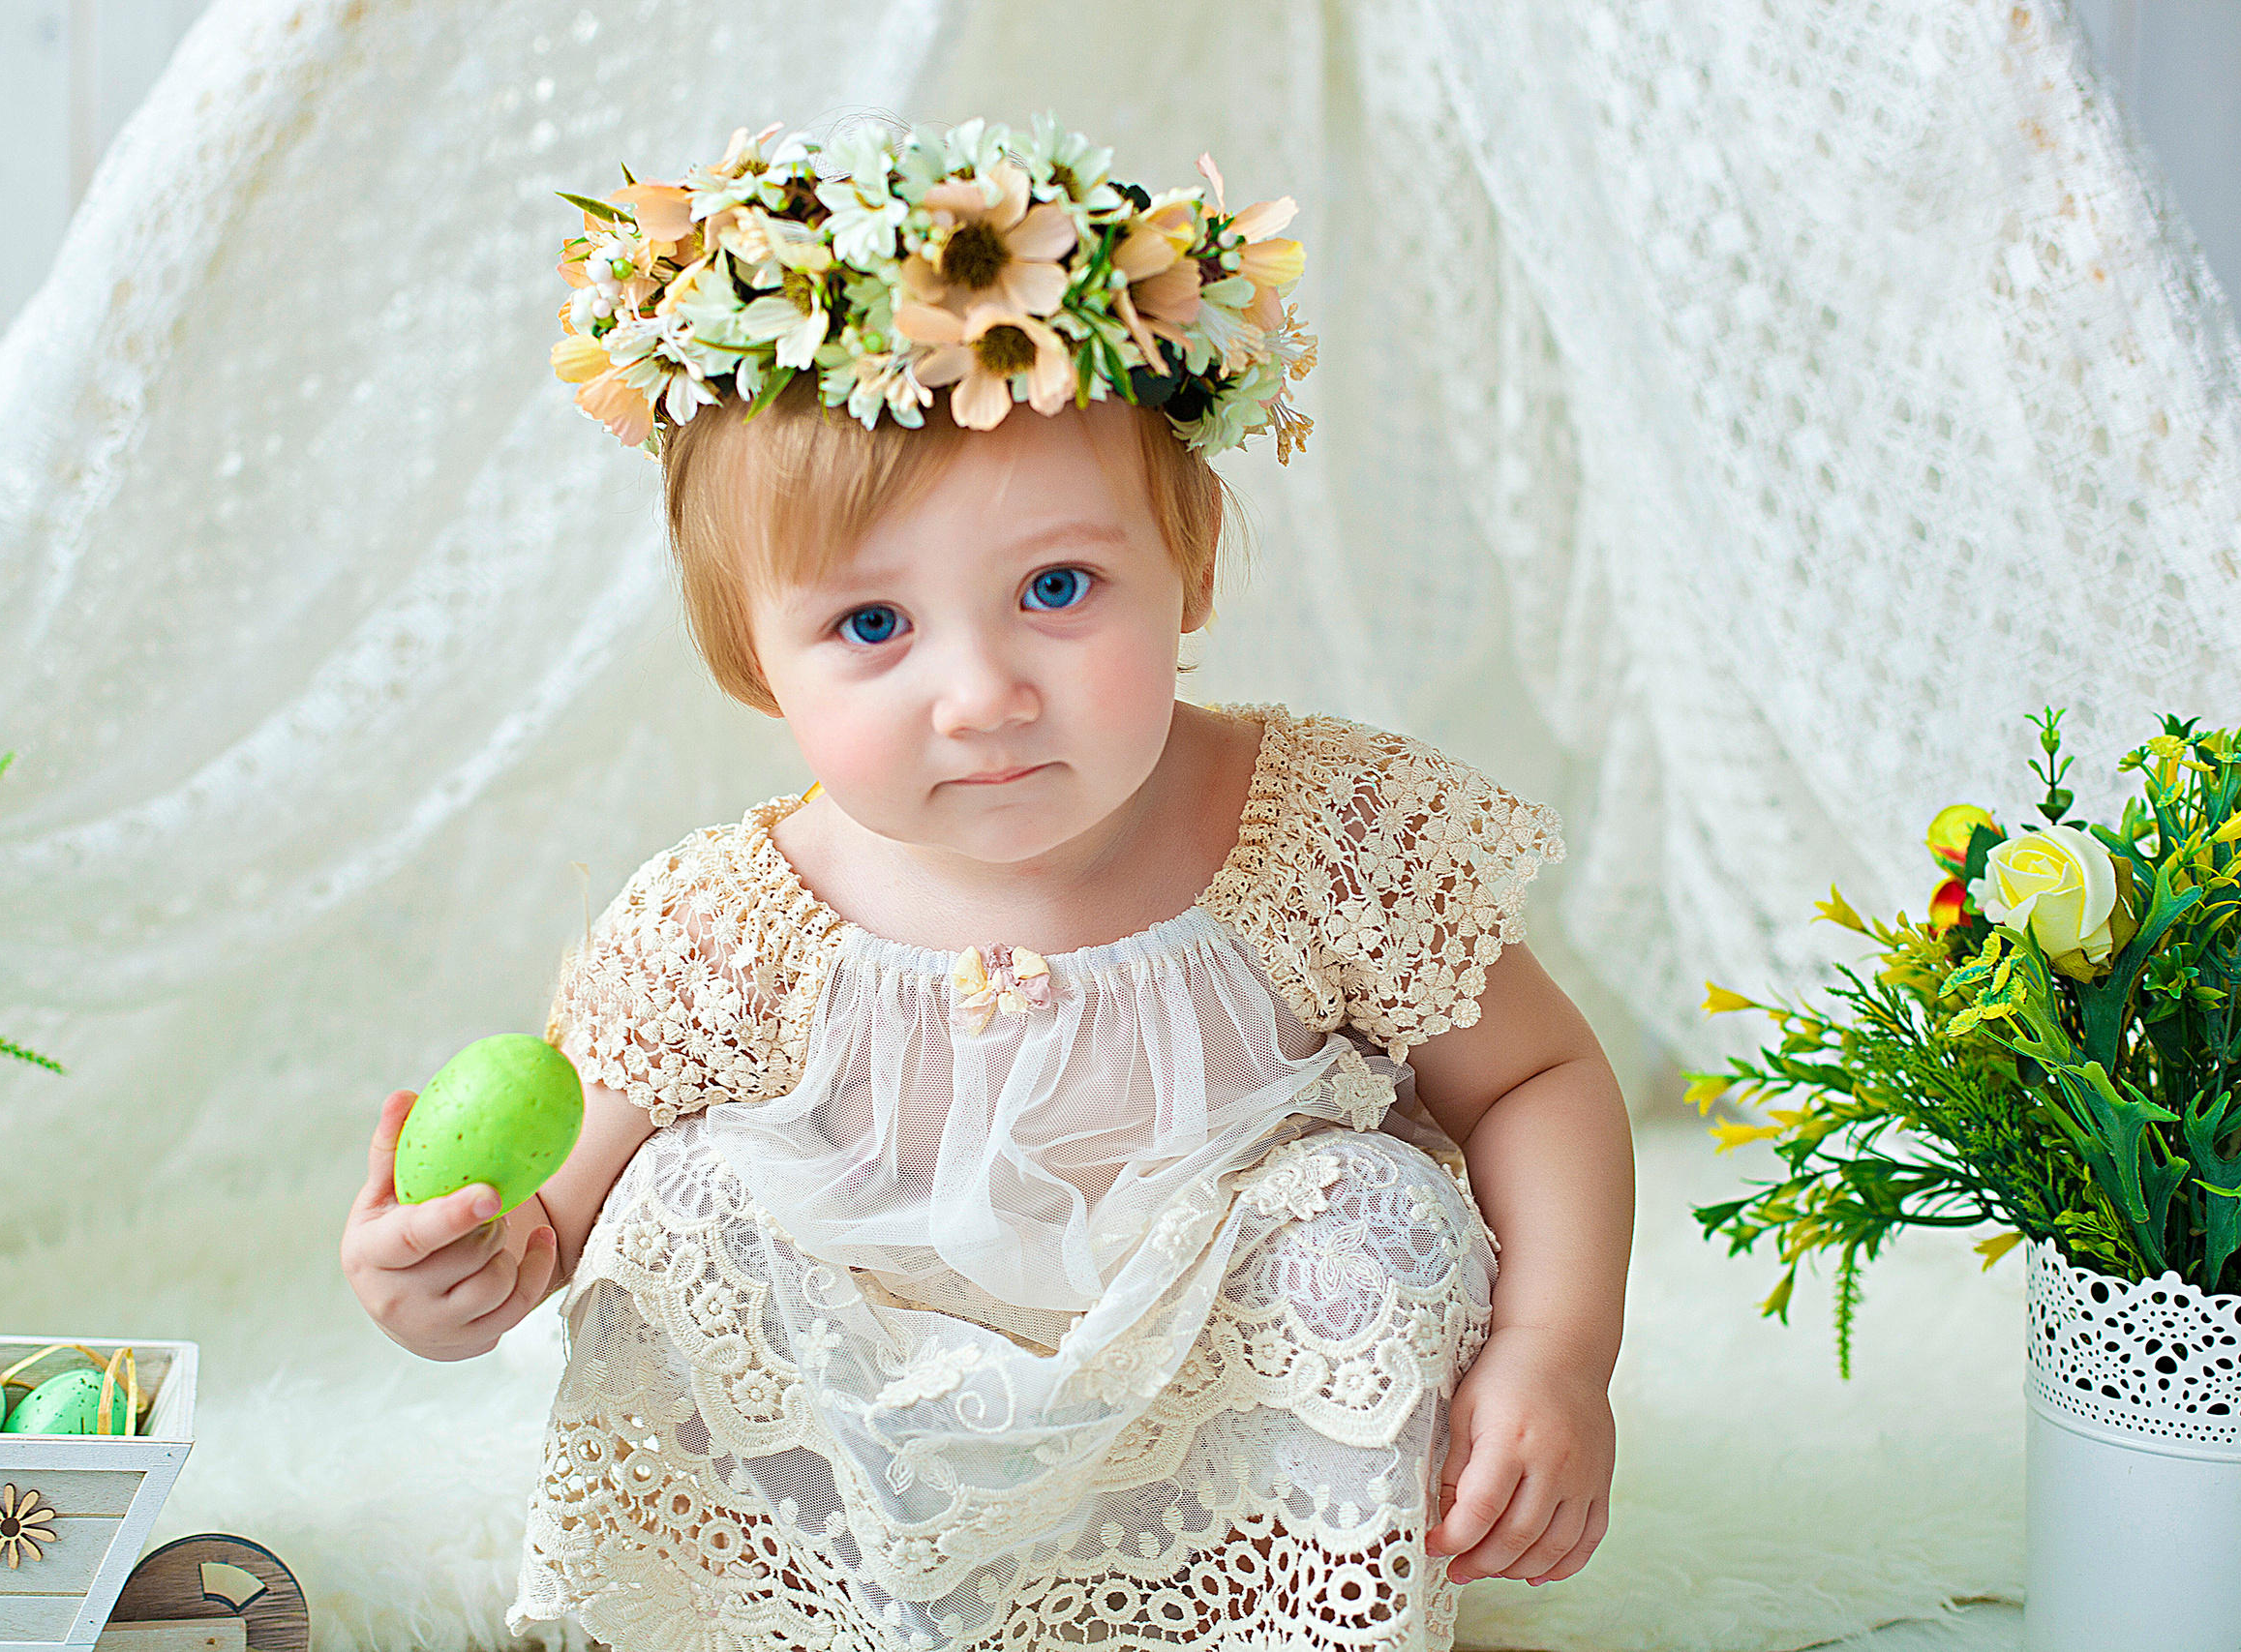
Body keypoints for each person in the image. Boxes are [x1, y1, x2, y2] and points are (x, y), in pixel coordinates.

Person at [341, 117, 1633, 1650]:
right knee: (681, 1206)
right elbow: (548, 1229)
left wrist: (1557, 1352)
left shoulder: (1325, 840)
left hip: (1208, 1454)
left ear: (1190, 561)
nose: (982, 695)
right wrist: (460, 1273)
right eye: (875, 627)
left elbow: (1537, 1078)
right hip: (864, 1484)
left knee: (1363, 1212)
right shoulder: (727, 932)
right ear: (750, 651)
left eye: (1057, 591)